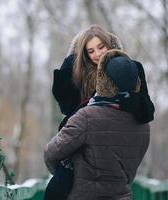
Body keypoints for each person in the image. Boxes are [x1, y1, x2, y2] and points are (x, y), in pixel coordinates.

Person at [44, 49, 150, 200]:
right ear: (136, 83)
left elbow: (50, 153)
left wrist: (67, 176)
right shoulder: (143, 126)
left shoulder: (87, 116)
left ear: (103, 80)